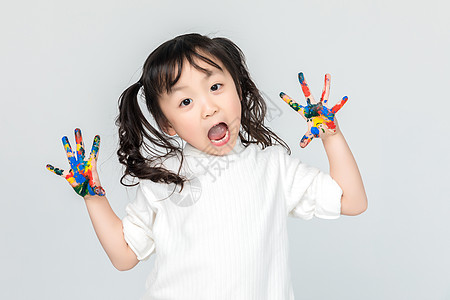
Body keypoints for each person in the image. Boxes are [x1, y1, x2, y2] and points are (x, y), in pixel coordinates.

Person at [46, 33, 367, 299]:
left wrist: (331, 135)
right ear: (167, 123)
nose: (208, 108)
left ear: (238, 89)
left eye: (215, 87)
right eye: (186, 101)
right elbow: (125, 255)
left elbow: (351, 201)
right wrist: (92, 195)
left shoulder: (272, 167)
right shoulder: (164, 179)